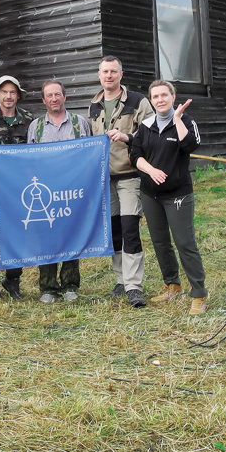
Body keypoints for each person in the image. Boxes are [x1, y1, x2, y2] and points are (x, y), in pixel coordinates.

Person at [129, 80, 206, 313]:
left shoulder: (186, 121)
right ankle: (172, 285)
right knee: (160, 242)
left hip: (178, 194)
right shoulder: (146, 125)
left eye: (164, 95)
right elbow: (135, 155)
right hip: (150, 194)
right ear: (151, 101)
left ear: (173, 97)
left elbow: (190, 145)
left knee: (185, 243)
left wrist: (177, 119)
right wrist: (150, 170)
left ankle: (199, 294)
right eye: (155, 96)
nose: (160, 99)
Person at [88, 56, 154, 308]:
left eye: (113, 71)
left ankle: (134, 285)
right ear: (99, 74)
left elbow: (150, 134)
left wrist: (127, 136)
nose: (109, 76)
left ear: (120, 74)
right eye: (105, 71)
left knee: (130, 229)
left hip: (129, 175)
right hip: (105, 179)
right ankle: (120, 280)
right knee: (114, 232)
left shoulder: (138, 101)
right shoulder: (94, 104)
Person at [27, 79, 92, 303]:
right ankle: (48, 287)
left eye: (58, 94)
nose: (54, 99)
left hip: (73, 191)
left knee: (71, 235)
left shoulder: (79, 122)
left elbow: (90, 154)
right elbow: (29, 159)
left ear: (65, 97)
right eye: (49, 96)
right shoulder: (35, 126)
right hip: (46, 190)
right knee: (47, 236)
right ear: (44, 100)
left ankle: (70, 285)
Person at [0, 75, 35, 300]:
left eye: (13, 92)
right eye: (4, 92)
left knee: (18, 233)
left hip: (20, 188)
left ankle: (13, 280)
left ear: (18, 95)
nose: (9, 96)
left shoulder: (29, 119)